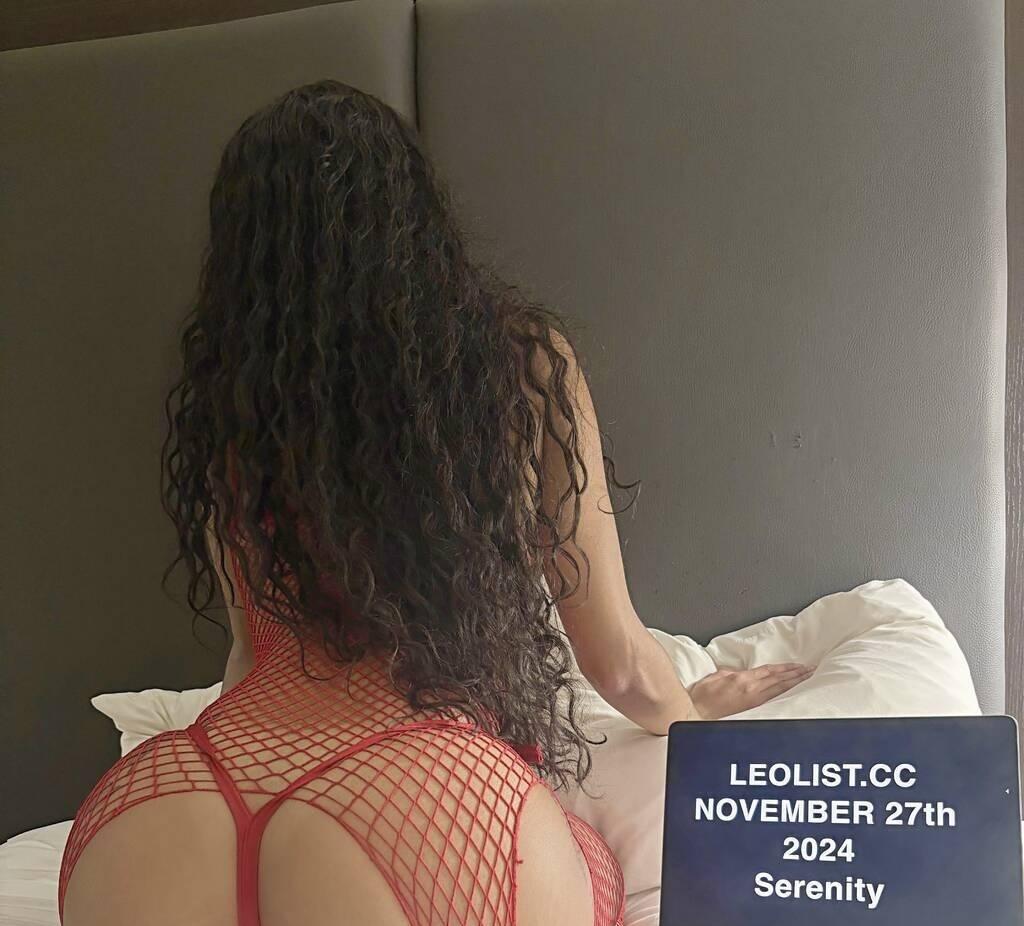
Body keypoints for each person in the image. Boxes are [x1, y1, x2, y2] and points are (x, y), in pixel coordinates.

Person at [57, 79, 812, 926]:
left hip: (177, 802)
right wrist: (690, 712)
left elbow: (248, 654)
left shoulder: (239, 417)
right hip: (430, 800)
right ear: (415, 218)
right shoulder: (518, 369)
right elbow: (620, 663)